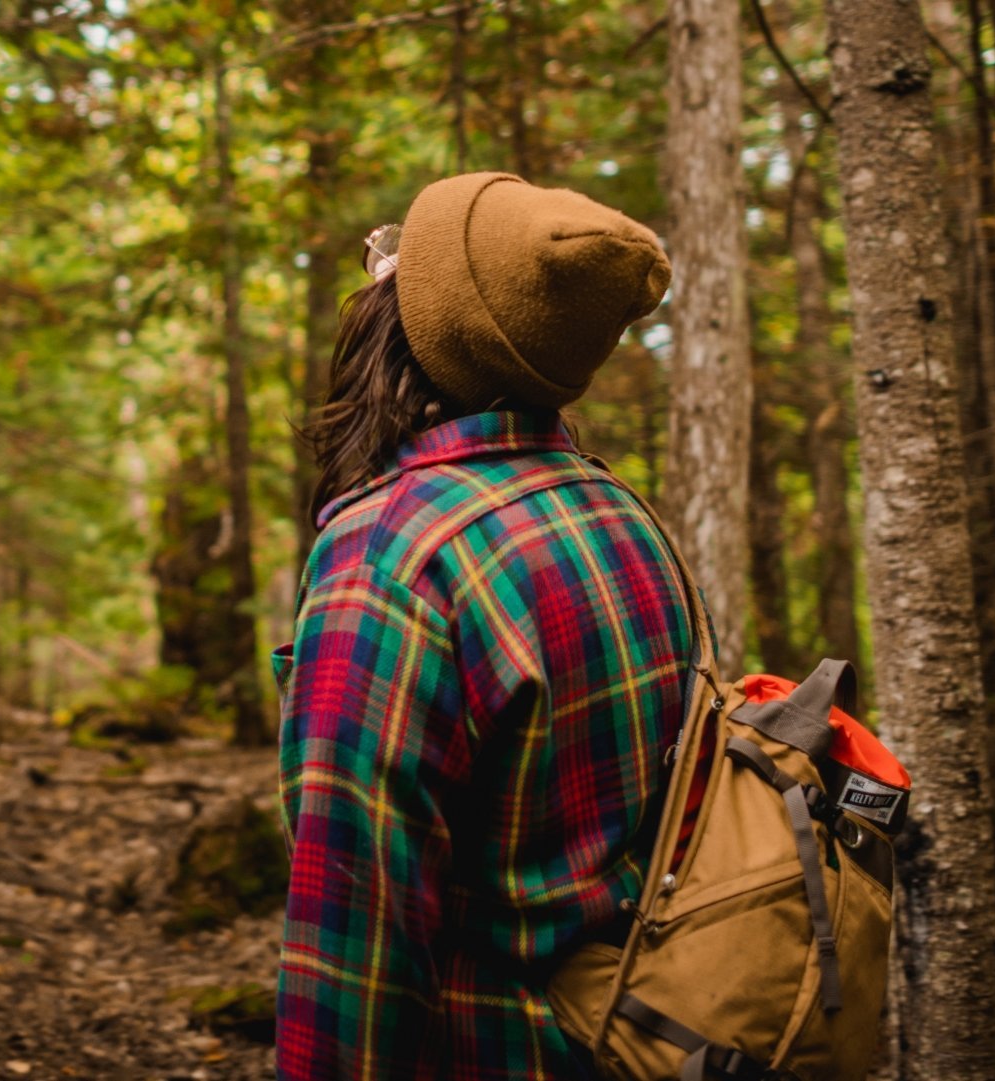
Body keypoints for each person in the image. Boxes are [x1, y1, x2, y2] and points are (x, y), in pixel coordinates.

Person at [273, 172, 694, 1080]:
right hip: (628, 1038)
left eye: (394, 257)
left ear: (431, 325)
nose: (373, 265)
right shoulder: (618, 510)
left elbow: (353, 940)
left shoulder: (392, 557)